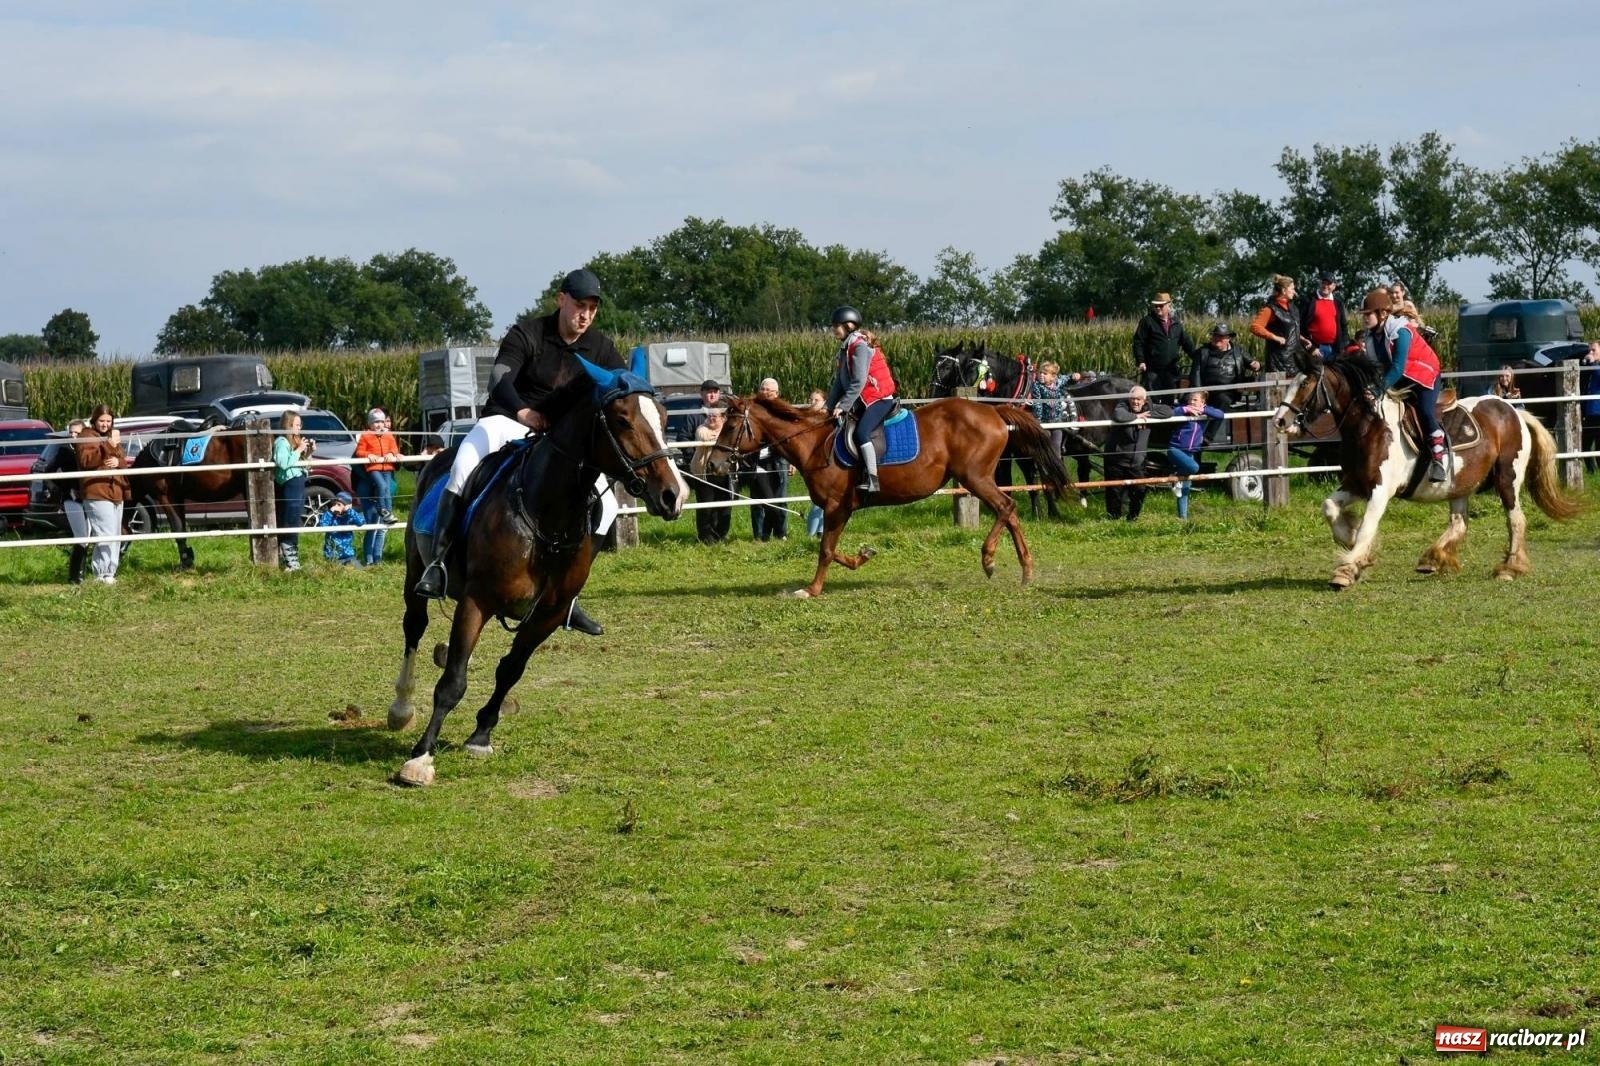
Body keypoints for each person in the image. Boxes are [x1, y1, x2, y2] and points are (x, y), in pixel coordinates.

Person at [413, 268, 617, 636]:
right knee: (462, 467)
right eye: (578, 305)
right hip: (508, 421)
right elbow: (499, 378)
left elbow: (621, 386)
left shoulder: (600, 347)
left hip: (559, 442)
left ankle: (567, 596)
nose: (584, 315)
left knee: (611, 506)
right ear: (560, 300)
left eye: (591, 308)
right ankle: (438, 564)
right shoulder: (529, 333)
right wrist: (524, 411)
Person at [1363, 290, 1446, 481]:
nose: (1365, 318)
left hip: (1424, 374)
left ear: (1382, 314)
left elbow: (1398, 367)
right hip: (1402, 378)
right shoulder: (1370, 337)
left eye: (1368, 314)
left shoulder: (1400, 330)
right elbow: (1375, 368)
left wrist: (1376, 389)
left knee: (1425, 411)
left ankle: (1438, 459)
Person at [826, 306, 898, 494]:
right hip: (865, 400)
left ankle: (873, 479)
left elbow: (858, 381)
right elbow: (839, 384)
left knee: (861, 432)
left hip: (878, 399)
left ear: (848, 326)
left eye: (836, 326)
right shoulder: (846, 348)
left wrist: (843, 405)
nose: (833, 330)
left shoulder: (859, 347)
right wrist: (828, 407)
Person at [75, 405, 130, 585]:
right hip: (97, 491)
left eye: (108, 421)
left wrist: (118, 461)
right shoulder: (86, 436)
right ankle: (101, 573)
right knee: (105, 534)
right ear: (94, 420)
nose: (105, 424)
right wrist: (108, 445)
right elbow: (86, 460)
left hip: (115, 490)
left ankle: (109, 573)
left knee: (115, 534)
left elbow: (122, 460)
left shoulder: (110, 437)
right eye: (102, 421)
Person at [1103, 386, 1173, 521]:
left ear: (1144, 401)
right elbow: (1119, 415)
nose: (1135, 402)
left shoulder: (1150, 407)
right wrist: (1137, 417)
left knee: (1140, 490)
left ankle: (1133, 518)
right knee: (1114, 491)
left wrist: (1148, 415)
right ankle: (1113, 519)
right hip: (1116, 458)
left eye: (1138, 399)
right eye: (1133, 399)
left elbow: (1168, 411)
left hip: (1137, 460)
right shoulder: (1122, 405)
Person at [1190, 323, 1259, 444]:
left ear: (1228, 338)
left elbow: (1254, 364)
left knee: (1223, 399)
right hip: (1206, 392)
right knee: (1188, 403)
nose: (1217, 339)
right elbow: (1195, 373)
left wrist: (1256, 365)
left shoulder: (1238, 351)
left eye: (1221, 337)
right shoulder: (1202, 352)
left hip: (1229, 392)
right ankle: (1189, 439)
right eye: (1215, 336)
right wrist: (1199, 393)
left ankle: (1207, 437)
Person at [39, 418, 89, 584]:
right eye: (71, 433)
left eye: (77, 432)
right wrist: (60, 488)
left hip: (91, 498)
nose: (74, 436)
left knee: (89, 537)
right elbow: (48, 473)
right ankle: (76, 576)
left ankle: (84, 573)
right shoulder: (64, 451)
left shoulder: (90, 449)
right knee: (81, 537)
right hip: (72, 498)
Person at [353, 407, 402, 566]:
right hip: (369, 491)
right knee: (372, 525)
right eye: (377, 422)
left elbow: (395, 450)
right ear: (370, 424)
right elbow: (359, 456)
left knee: (382, 527)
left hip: (385, 481)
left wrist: (393, 455)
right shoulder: (366, 437)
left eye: (384, 421)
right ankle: (368, 559)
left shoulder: (389, 437)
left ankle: (378, 558)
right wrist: (369, 456)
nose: (381, 425)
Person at [744, 377, 790, 540]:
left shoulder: (783, 412)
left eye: (769, 390)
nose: (765, 393)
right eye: (763, 389)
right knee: (758, 501)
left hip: (779, 460)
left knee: (780, 499)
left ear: (777, 393)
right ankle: (759, 535)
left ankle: (780, 533)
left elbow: (791, 438)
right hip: (757, 461)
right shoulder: (752, 410)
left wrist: (792, 461)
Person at [1166, 391, 1224, 520]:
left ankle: (1183, 519)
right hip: (1175, 449)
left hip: (1190, 453)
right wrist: (1185, 409)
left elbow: (1220, 415)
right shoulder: (1183, 411)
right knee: (1194, 468)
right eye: (1190, 400)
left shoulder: (1205, 412)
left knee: (1185, 487)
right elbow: (1172, 412)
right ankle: (1175, 475)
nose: (1192, 402)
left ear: (1203, 402)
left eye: (1195, 400)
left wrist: (1204, 410)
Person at [1131, 292, 1198, 396]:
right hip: (1152, 369)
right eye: (1156, 306)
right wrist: (1141, 361)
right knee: (1152, 398)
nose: (1158, 308)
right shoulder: (1147, 322)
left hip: (1171, 370)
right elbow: (1138, 342)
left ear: (1169, 305)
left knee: (1170, 398)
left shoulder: (1176, 324)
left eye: (1161, 306)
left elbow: (1186, 343)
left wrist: (1197, 357)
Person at [272, 410, 314, 571]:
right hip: (289, 484)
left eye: (300, 424)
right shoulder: (282, 442)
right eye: (296, 424)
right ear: (288, 425)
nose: (299, 427)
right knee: (290, 518)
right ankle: (289, 559)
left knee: (295, 519)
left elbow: (303, 465)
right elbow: (283, 463)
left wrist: (308, 453)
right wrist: (298, 450)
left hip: (299, 482)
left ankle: (292, 559)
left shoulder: (295, 442)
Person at [689, 407, 733, 544]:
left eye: (715, 416)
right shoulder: (702, 428)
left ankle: (721, 534)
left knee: (725, 505)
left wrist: (720, 436)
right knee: (705, 506)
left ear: (723, 418)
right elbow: (703, 436)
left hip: (724, 473)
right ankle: (705, 536)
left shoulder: (727, 430)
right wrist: (720, 437)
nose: (711, 419)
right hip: (704, 473)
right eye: (709, 416)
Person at [1252, 274, 1308, 374]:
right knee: (1279, 390)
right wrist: (1274, 337)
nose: (1294, 292)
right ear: (1284, 290)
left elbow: (1288, 331)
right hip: (1279, 361)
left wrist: (1301, 338)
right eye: (1292, 289)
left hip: (1295, 358)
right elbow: (1255, 327)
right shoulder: (1270, 309)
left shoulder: (1293, 308)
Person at [1029, 361, 1076, 461]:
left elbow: (1066, 379)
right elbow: (1038, 405)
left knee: (1056, 449)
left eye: (1045, 374)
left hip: (1057, 422)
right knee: (1045, 447)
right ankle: (1044, 467)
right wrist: (1038, 421)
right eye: (1040, 373)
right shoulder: (1037, 386)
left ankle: (1057, 467)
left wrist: (1073, 377)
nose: (1041, 375)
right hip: (1044, 422)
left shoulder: (1057, 382)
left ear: (1053, 377)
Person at [1299, 271, 1349, 359]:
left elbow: (1343, 325)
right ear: (1319, 283)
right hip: (1315, 349)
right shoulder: (1309, 300)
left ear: (1334, 286)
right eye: (1323, 283)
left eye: (1329, 284)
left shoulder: (1338, 303)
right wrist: (1310, 347)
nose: (1325, 286)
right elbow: (1300, 325)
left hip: (1334, 349)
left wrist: (1344, 346)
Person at [318, 491, 363, 565]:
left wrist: (349, 510)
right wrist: (330, 512)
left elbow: (360, 522)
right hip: (332, 556)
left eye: (339, 504)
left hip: (348, 555)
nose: (336, 506)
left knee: (358, 570)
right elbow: (322, 525)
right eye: (335, 504)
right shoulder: (331, 516)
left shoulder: (350, 516)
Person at [805, 389, 827, 536]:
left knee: (824, 502)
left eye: (816, 400)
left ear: (824, 402)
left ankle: (818, 532)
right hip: (813, 463)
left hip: (825, 463)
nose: (812, 403)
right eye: (811, 400)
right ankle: (811, 534)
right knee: (818, 501)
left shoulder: (828, 418)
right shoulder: (807, 420)